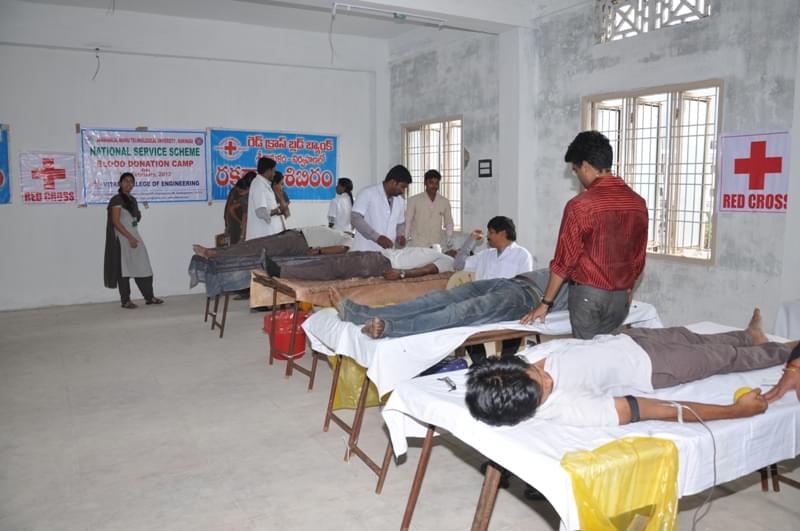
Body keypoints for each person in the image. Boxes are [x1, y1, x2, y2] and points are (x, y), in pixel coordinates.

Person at [466, 309, 797, 427]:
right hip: (655, 367)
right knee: (724, 358)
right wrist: (734, 411)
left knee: (694, 336)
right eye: (545, 387)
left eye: (538, 371)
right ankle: (785, 350)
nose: (547, 375)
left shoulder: (514, 370)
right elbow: (661, 410)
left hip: (630, 339)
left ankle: (750, 335)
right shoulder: (570, 410)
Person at [522, 131, 648, 339]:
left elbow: (564, 261)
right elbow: (638, 256)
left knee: (587, 357)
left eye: (576, 170)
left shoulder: (580, 205)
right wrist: (628, 287)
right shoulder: (637, 202)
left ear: (586, 166)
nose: (577, 176)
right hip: (621, 298)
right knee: (608, 351)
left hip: (590, 296)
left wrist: (545, 303)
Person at [331, 268, 566, 339]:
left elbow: (591, 311)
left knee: (459, 312)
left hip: (526, 299)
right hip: (509, 281)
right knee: (436, 298)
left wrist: (544, 305)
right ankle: (359, 313)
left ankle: (391, 328)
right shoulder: (575, 255)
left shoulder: (592, 285)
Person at [103, 172, 164, 309]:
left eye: (131, 181)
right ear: (120, 183)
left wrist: (134, 231)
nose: (128, 184)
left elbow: (134, 220)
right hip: (122, 238)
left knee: (144, 267)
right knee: (124, 271)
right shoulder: (116, 200)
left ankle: (149, 297)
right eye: (125, 181)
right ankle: (126, 301)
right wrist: (129, 237)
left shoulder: (133, 200)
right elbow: (116, 222)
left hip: (134, 236)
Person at [263, 247, 454, 281]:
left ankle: (282, 272)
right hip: (379, 255)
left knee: (334, 269)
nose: (455, 250)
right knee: (331, 261)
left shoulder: (449, 262)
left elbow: (426, 270)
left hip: (384, 264)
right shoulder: (438, 251)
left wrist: (402, 274)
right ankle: (283, 269)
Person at [350, 165, 411, 252]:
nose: (403, 191)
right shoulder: (367, 193)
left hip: (387, 253)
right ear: (393, 182)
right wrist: (376, 237)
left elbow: (400, 224)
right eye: (402, 187)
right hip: (365, 250)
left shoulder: (400, 201)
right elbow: (355, 218)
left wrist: (400, 237)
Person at [453, 216, 532, 281]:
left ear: (502, 234)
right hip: (480, 296)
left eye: (491, 232)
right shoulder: (485, 255)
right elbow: (458, 265)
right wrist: (471, 240)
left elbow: (524, 286)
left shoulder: (522, 255)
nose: (487, 236)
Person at [405, 169, 454, 249]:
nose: (434, 186)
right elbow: (408, 221)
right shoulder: (414, 200)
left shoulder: (444, 202)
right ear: (425, 183)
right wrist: (405, 237)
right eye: (431, 182)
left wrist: (449, 236)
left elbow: (448, 222)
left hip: (436, 244)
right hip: (418, 244)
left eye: (436, 183)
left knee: (435, 262)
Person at [246, 157, 285, 240]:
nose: (274, 174)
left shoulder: (265, 184)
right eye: (273, 171)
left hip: (268, 236)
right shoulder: (258, 184)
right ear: (268, 171)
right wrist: (277, 210)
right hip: (261, 236)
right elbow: (261, 212)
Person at [223, 171, 257, 245]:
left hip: (243, 225)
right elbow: (229, 209)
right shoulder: (238, 191)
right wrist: (239, 223)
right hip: (237, 224)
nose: (240, 193)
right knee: (237, 246)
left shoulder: (250, 194)